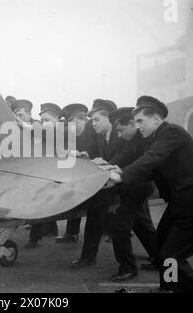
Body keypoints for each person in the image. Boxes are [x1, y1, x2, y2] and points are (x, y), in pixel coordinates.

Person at [107, 95, 193, 292]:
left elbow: (153, 158)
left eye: (141, 121)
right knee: (167, 245)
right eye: (135, 122)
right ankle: (171, 286)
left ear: (157, 119)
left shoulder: (172, 133)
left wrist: (124, 176)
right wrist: (120, 171)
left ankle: (188, 289)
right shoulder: (156, 138)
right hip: (184, 202)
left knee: (170, 255)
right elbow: (151, 168)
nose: (138, 126)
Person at [96, 107, 158, 281]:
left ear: (131, 124)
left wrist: (118, 172)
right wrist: (109, 165)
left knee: (119, 226)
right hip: (134, 186)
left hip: (139, 186)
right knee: (140, 223)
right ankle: (158, 258)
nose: (120, 135)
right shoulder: (132, 139)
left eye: (122, 130)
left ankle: (128, 268)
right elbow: (124, 154)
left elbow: (141, 164)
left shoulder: (145, 139)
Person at [70, 99, 122, 268]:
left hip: (125, 182)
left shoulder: (120, 135)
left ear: (110, 119)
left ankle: (154, 257)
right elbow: (98, 157)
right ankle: (88, 257)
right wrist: (88, 158)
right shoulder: (100, 136)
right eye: (91, 120)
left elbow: (125, 159)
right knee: (95, 212)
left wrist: (105, 163)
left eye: (97, 120)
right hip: (109, 182)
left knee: (136, 225)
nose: (93, 124)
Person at [56, 103, 97, 243]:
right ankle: (71, 233)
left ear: (84, 119)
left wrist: (88, 157)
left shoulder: (95, 131)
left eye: (75, 123)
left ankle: (108, 232)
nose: (72, 127)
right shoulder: (75, 134)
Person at [24, 102, 61, 248]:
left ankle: (35, 236)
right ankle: (39, 233)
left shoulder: (63, 131)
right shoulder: (48, 131)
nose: (44, 123)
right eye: (43, 120)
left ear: (57, 118)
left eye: (47, 120)